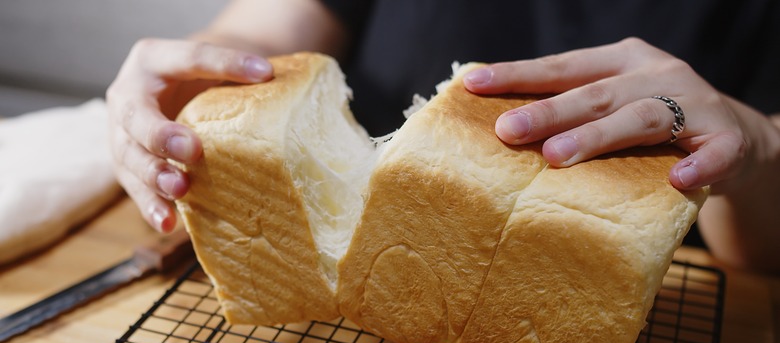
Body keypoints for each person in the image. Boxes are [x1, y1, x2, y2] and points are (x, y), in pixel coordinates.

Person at [106, 0, 780, 273]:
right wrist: (191, 71)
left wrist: (755, 143)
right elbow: (269, 33)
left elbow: (761, 255)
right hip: (325, 339)